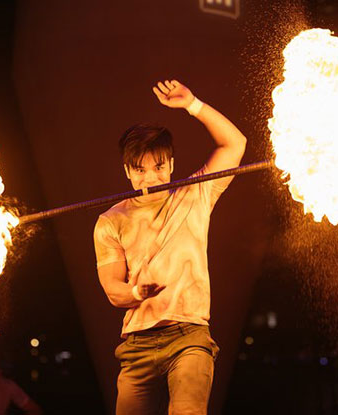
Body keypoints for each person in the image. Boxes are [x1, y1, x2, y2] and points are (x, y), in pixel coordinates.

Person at [93, 79, 247, 414]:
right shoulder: (110, 221)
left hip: (189, 337)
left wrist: (193, 105)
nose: (151, 178)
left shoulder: (195, 194)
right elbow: (113, 291)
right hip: (137, 346)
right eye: (140, 170)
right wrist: (137, 293)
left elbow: (235, 144)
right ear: (127, 172)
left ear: (172, 165)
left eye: (159, 167)